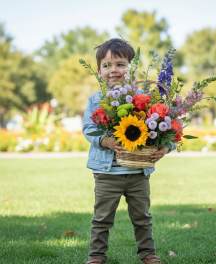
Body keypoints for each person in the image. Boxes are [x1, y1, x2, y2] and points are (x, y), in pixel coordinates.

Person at [82, 38, 175, 264]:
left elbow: (167, 128)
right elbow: (88, 128)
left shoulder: (144, 98)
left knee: (142, 217)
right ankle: (96, 256)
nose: (113, 70)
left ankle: (148, 254)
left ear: (131, 68)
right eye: (107, 65)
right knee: (102, 217)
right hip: (107, 173)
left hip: (138, 173)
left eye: (120, 64)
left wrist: (165, 147)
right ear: (99, 70)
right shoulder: (96, 100)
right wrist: (105, 140)